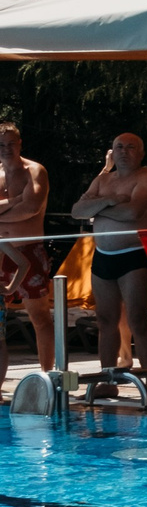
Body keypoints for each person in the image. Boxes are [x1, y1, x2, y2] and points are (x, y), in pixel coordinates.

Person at [68, 132, 147, 405]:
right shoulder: (103, 179)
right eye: (119, 147)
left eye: (130, 147)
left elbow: (133, 213)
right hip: (103, 256)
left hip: (134, 254)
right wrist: (111, 201)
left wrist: (96, 208)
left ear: (141, 153)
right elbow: (77, 210)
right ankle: (108, 381)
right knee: (106, 321)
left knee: (137, 319)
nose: (124, 152)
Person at [0, 122, 56, 379]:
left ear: (20, 143)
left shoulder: (35, 171)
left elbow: (31, 208)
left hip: (29, 250)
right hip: (1, 253)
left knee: (39, 317)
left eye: (11, 143)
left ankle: (47, 374)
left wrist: (13, 207)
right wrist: (15, 201)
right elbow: (21, 206)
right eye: (1, 145)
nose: (6, 149)